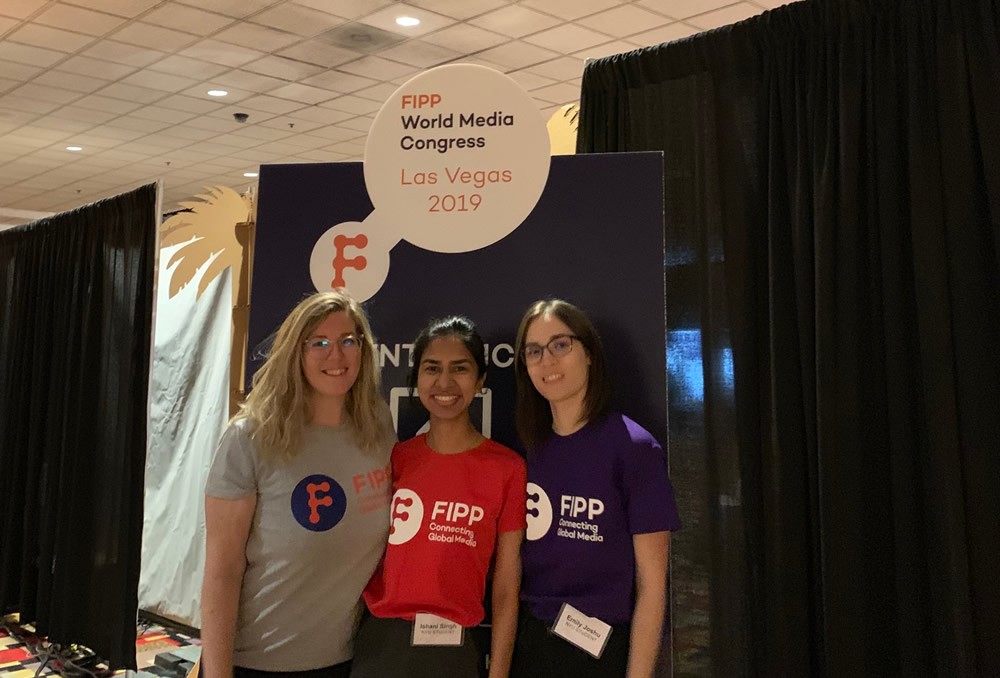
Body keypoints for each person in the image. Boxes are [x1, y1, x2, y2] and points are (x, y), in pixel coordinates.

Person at [201, 291, 395, 678]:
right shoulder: (250, 438)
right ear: (296, 352)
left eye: (347, 341)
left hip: (346, 661)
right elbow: (222, 573)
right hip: (255, 663)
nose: (335, 356)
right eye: (318, 343)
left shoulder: (378, 431)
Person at [510, 299, 681, 678]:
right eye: (534, 351)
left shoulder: (634, 449)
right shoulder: (528, 452)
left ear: (589, 354)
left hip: (602, 651)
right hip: (533, 644)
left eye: (560, 345)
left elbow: (652, 588)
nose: (547, 361)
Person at [352, 316, 526, 678]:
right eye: (432, 368)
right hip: (381, 644)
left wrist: (500, 671)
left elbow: (507, 585)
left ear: (480, 382)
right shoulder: (395, 458)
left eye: (459, 369)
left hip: (456, 651)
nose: (445, 382)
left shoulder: (507, 468)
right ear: (416, 380)